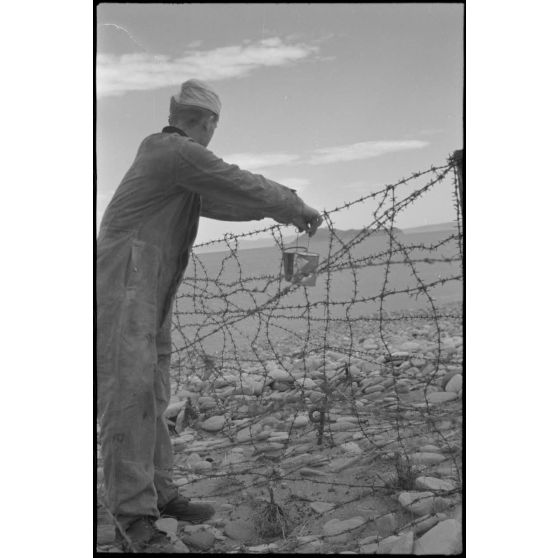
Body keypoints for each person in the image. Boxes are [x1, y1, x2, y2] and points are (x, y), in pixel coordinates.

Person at [96, 79, 323, 552]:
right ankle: (133, 518)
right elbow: (237, 181)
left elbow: (221, 200)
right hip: (126, 284)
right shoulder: (174, 151)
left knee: (152, 394)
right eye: (214, 123)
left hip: (148, 286)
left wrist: (274, 214)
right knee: (129, 395)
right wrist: (294, 202)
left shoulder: (174, 164)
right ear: (209, 122)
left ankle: (160, 492)